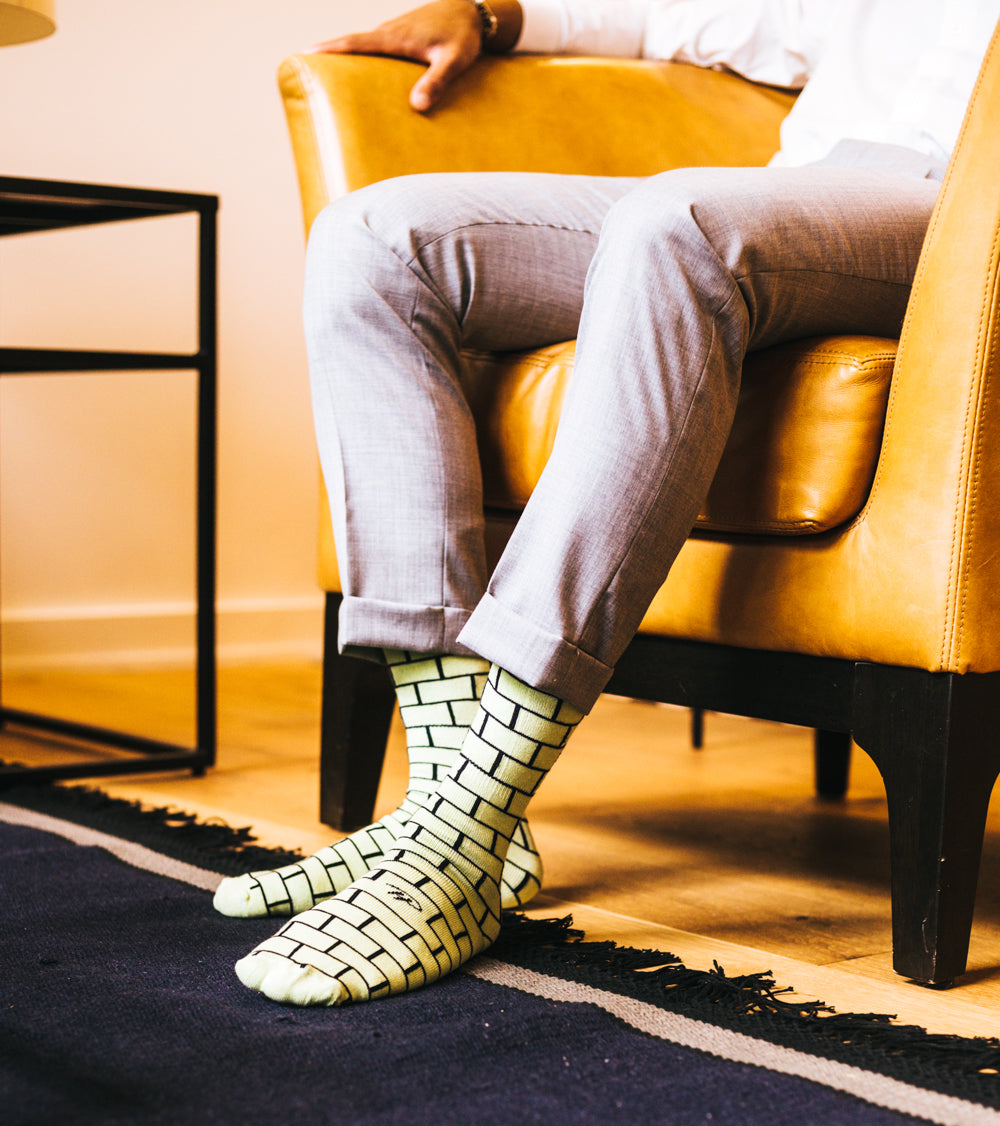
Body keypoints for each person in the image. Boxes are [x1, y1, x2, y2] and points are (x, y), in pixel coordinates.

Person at [217, 0, 1000, 1007]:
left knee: (673, 227)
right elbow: (700, 16)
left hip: (959, 218)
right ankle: (455, 814)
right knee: (372, 241)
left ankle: (470, 817)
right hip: (796, 197)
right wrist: (489, 14)